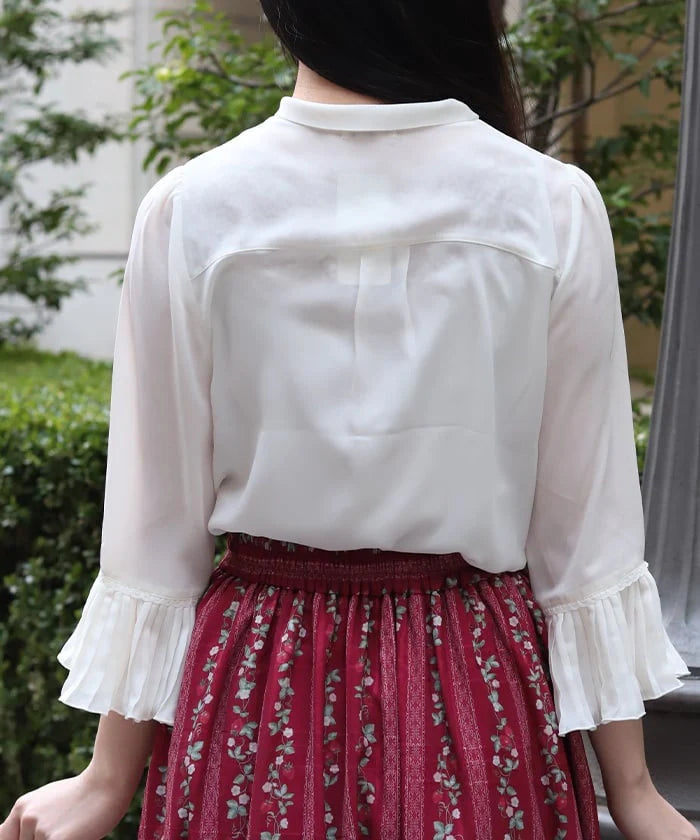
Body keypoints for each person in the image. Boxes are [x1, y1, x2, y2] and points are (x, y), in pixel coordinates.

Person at [1, 0, 697, 837]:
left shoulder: (194, 208)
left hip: (259, 677)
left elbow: (158, 530)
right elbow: (582, 539)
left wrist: (108, 778)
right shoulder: (549, 206)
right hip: (475, 675)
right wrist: (633, 791)